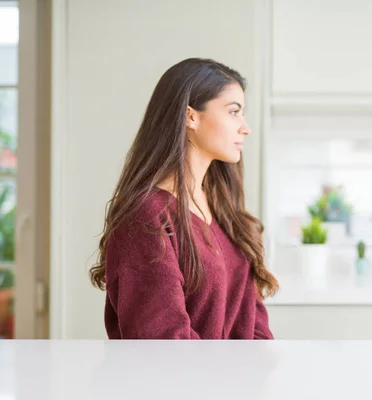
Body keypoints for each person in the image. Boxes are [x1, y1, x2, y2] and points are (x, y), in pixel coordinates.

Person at [89, 58, 279, 339]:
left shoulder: (223, 209)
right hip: (182, 383)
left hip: (236, 382)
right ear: (191, 116)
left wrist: (257, 375)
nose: (245, 127)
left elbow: (254, 322)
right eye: (233, 111)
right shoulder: (146, 215)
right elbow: (162, 340)